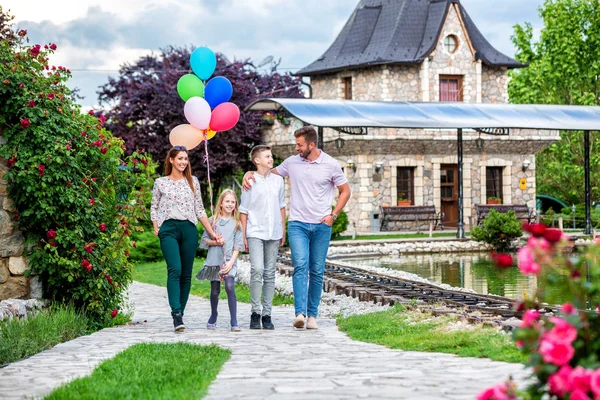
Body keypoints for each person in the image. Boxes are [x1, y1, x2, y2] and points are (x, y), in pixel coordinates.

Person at [243, 126, 351, 330]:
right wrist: (249, 172)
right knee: (300, 266)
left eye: (299, 144)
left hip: (321, 225)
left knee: (317, 270)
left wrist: (333, 215)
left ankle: (312, 315)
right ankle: (299, 313)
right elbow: (266, 173)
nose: (296, 148)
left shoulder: (331, 164)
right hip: (297, 224)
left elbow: (345, 191)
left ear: (311, 144)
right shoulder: (292, 162)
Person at [151, 145, 219, 332]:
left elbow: (199, 209)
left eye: (185, 159)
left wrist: (212, 233)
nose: (183, 162)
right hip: (169, 229)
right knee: (175, 269)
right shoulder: (160, 182)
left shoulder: (193, 182)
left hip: (188, 228)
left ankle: (179, 314)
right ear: (171, 160)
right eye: (179, 158)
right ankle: (176, 313)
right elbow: (154, 206)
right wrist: (156, 226)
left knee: (186, 273)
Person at [239, 145, 286, 330]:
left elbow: (281, 205)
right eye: (267, 156)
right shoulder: (250, 181)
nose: (271, 159)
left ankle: (267, 314)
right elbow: (243, 210)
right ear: (257, 160)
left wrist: (283, 229)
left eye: (271, 156)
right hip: (255, 231)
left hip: (273, 232)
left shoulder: (278, 181)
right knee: (257, 269)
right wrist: (243, 235)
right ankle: (255, 312)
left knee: (269, 273)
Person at [196, 189, 244, 332]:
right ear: (221, 203)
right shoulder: (213, 221)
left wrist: (230, 263)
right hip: (214, 260)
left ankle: (234, 320)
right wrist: (215, 241)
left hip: (229, 261)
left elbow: (237, 246)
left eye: (233, 202)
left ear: (236, 204)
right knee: (215, 291)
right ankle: (214, 314)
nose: (230, 204)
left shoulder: (237, 223)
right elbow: (204, 241)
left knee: (229, 286)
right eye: (227, 201)